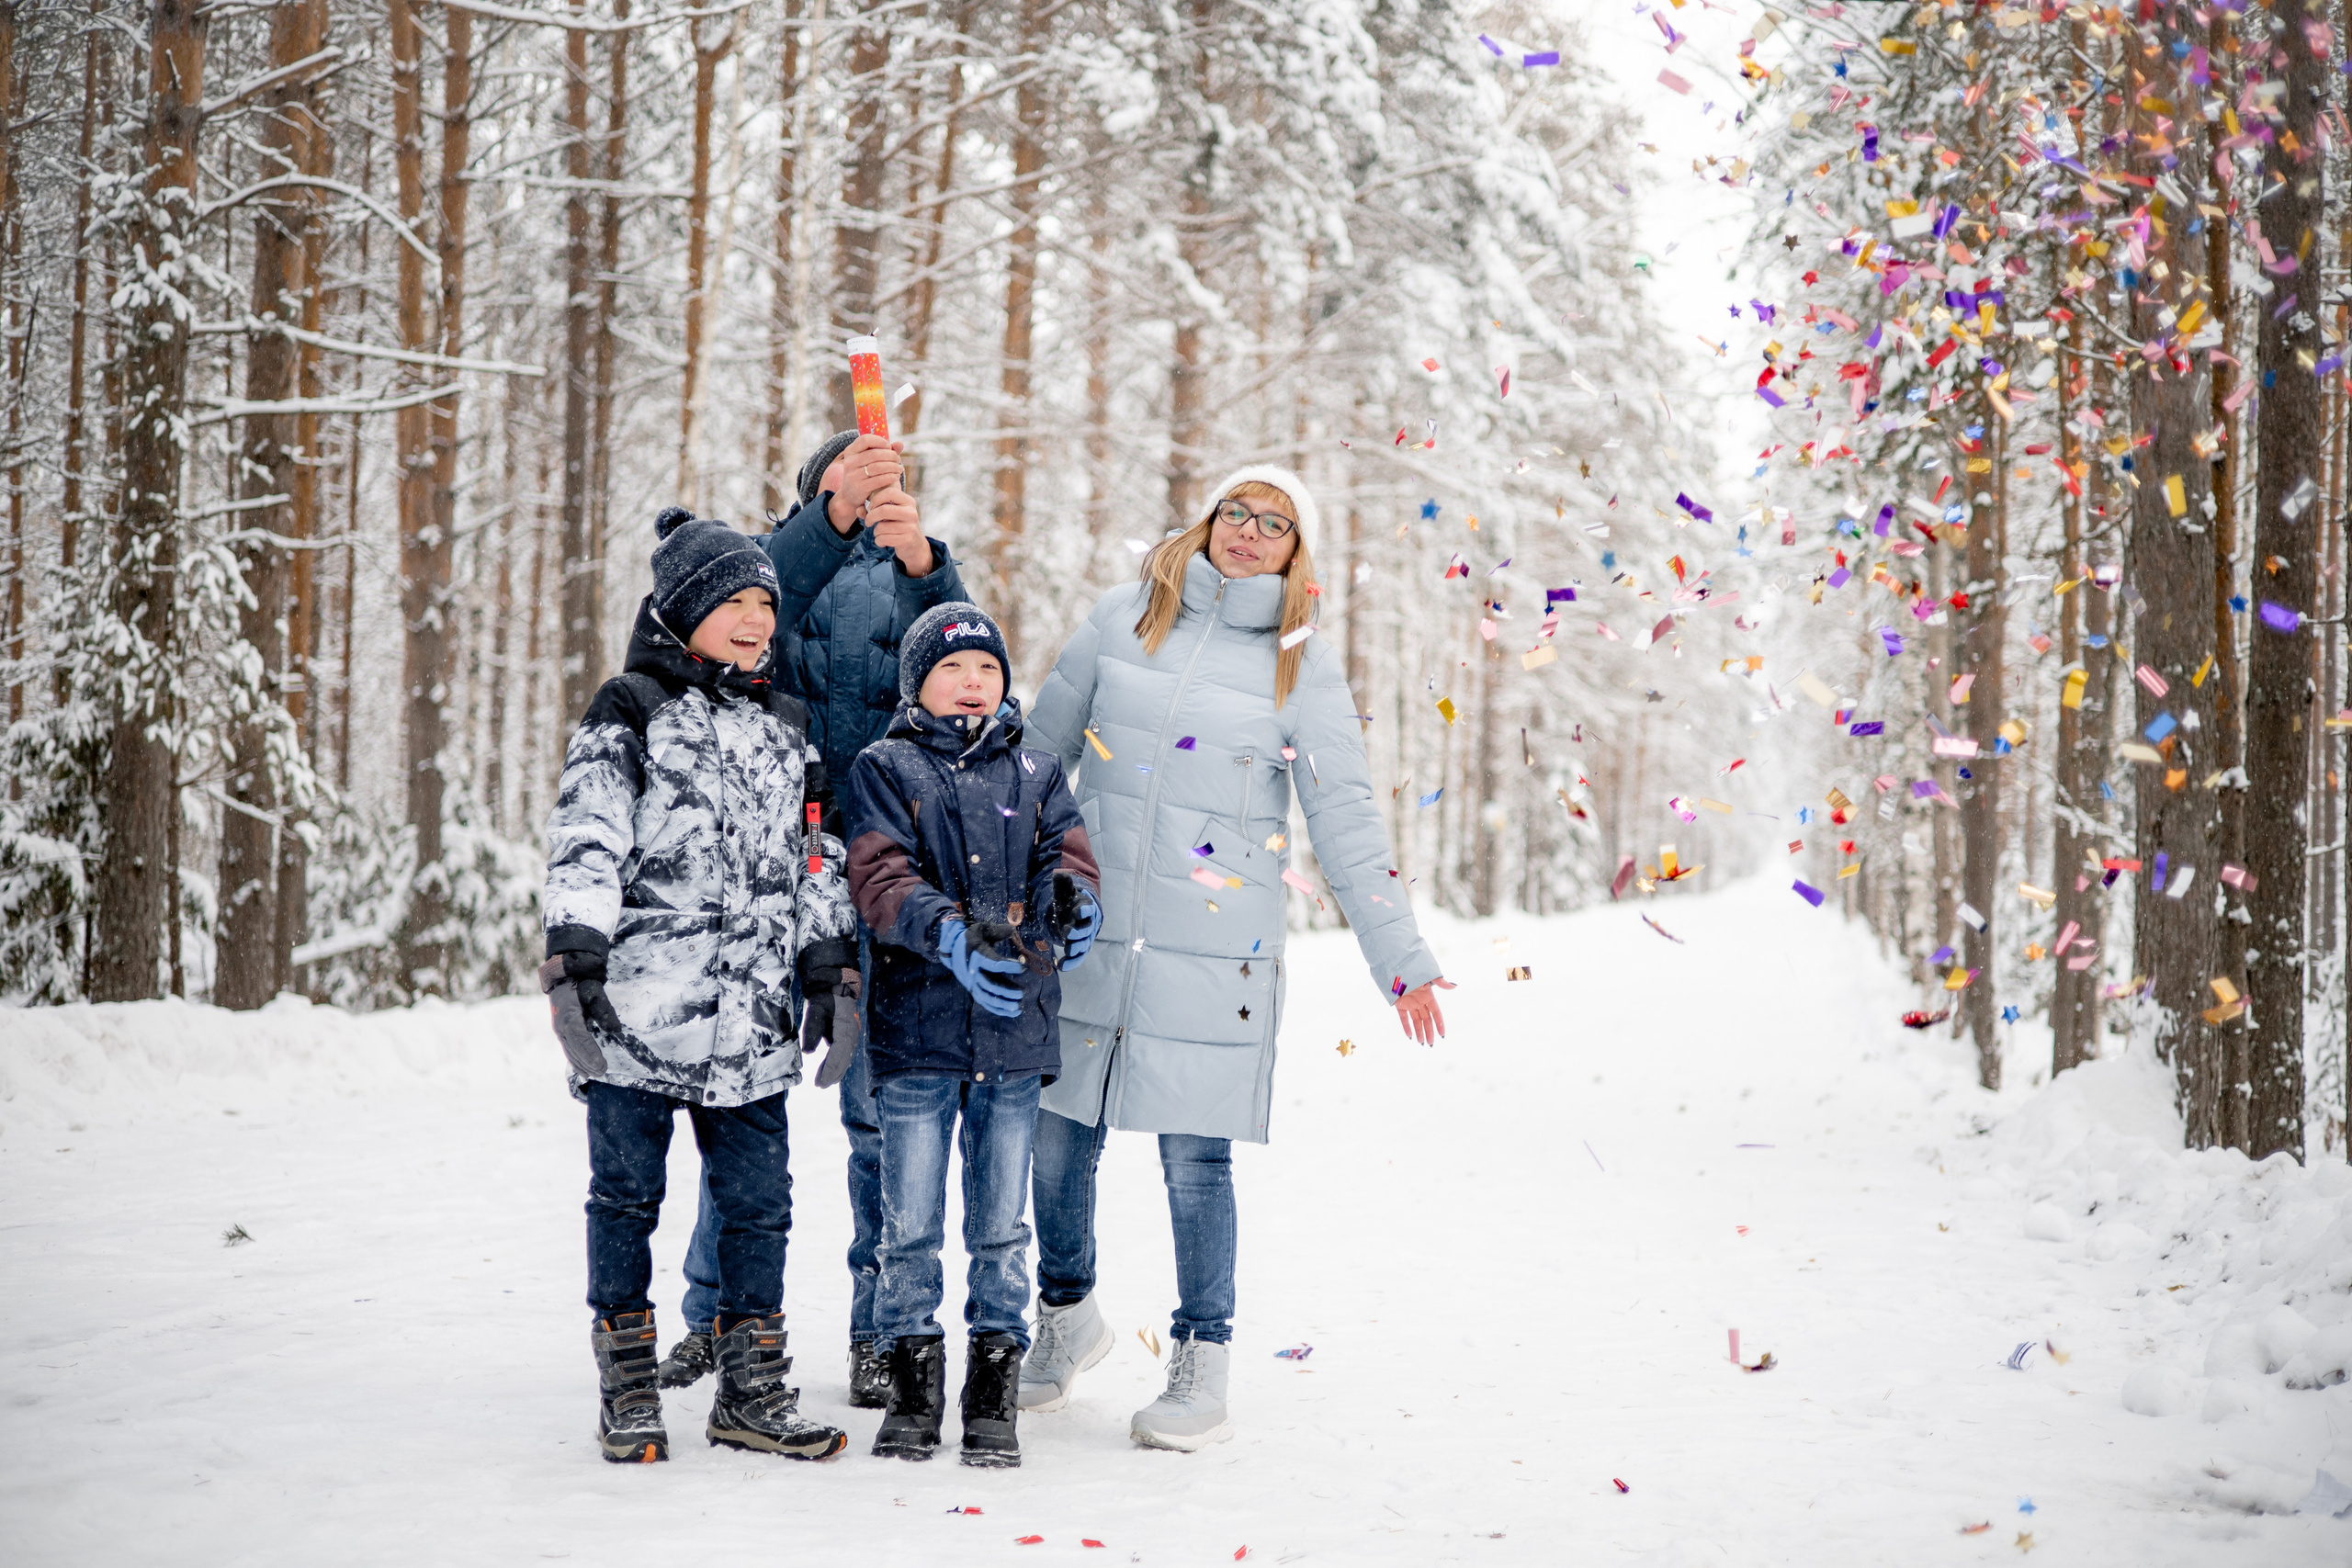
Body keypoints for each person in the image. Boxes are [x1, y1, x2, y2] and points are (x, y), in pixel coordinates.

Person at [1017, 465, 1453, 1451]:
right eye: (1237, 514)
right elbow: (1036, 762)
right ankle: (1065, 1318)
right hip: (1083, 927)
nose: (1249, 533)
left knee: (1194, 1162)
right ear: (1208, 519)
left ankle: (1200, 1357)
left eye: (1276, 524)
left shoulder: (1302, 664)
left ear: (1298, 553)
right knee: (1054, 1136)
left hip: (1219, 951)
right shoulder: (1121, 618)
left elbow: (1343, 816)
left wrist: (1401, 956)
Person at [540, 506, 858, 1463]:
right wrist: (574, 955)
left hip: (752, 1026)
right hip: (639, 1017)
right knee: (626, 1198)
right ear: (683, 611)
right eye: (734, 601)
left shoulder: (787, 724)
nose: (757, 619)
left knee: (761, 1206)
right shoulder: (630, 707)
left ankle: (750, 1393)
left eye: (766, 601)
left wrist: (827, 966)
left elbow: (817, 857)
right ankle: (628, 1387)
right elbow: (588, 834)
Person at [658, 433, 967, 1411]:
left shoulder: (922, 571)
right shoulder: (760, 574)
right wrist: (826, 522)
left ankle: (878, 1330)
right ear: (814, 489)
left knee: (879, 1121)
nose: (868, 495)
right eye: (843, 484)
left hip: (880, 872)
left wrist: (928, 565)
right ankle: (713, 1317)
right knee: (738, 1105)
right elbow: (751, 617)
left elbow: (964, 668)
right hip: (763, 868)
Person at [841, 602, 1103, 1466]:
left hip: (1014, 1032)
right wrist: (946, 931)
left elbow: (1064, 855)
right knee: (908, 1221)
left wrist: (1074, 896)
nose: (973, 681)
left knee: (1001, 1227)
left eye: (987, 668)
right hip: (916, 1034)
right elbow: (880, 875)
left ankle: (994, 1393)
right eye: (953, 668)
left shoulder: (1036, 768)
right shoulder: (887, 764)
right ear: (918, 682)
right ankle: (912, 1390)